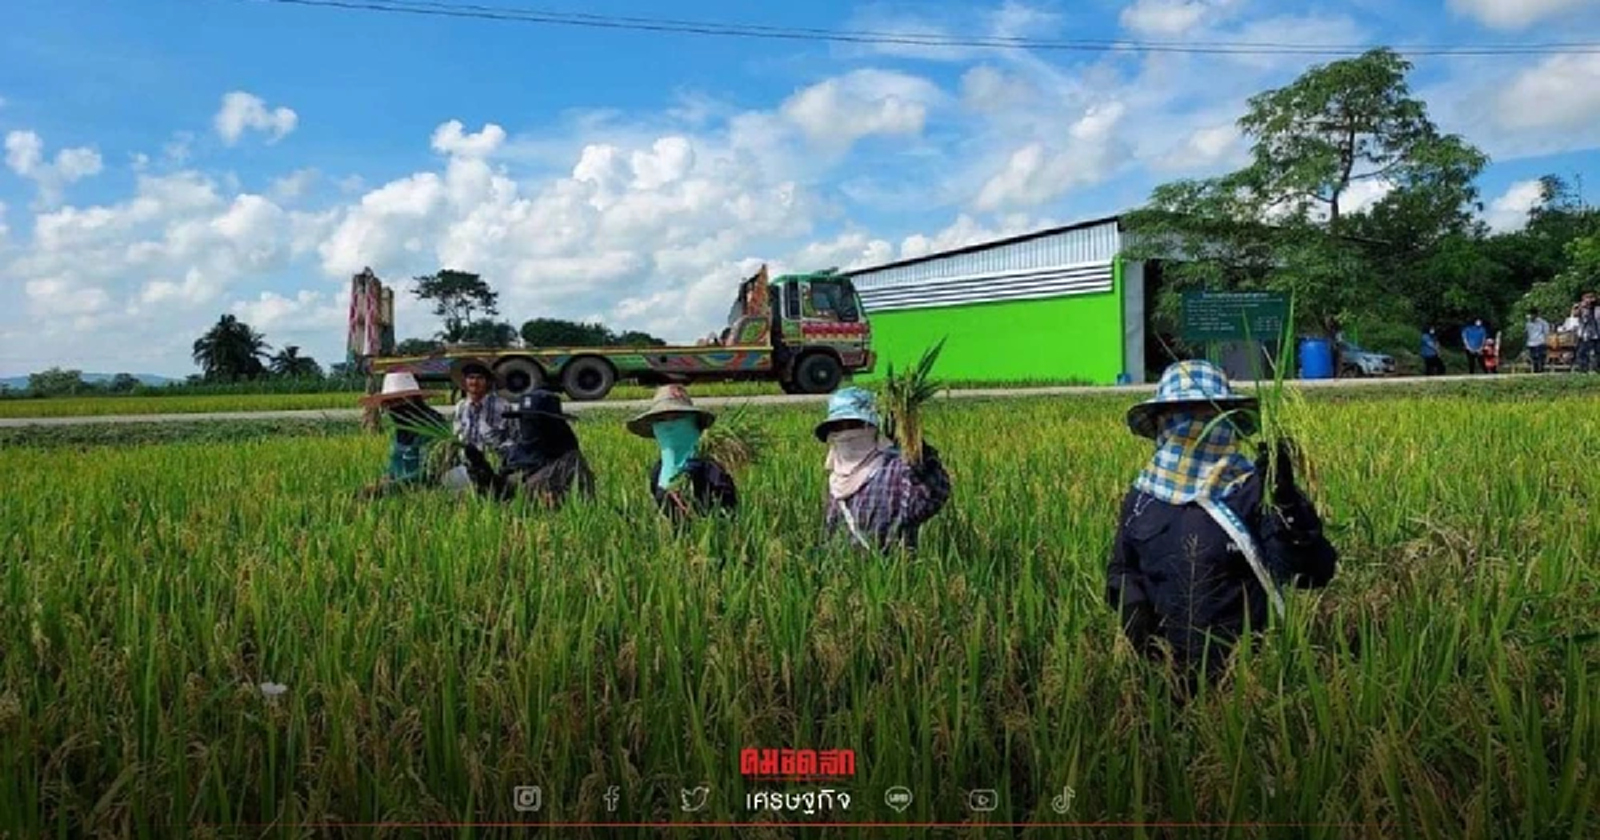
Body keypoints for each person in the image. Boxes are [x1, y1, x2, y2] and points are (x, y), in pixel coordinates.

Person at [1105, 360, 1338, 690]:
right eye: (1180, 413)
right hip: (1162, 678)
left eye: (1206, 413)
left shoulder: (1253, 490)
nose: (1193, 425)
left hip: (1244, 680)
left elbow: (1311, 574)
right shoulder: (1144, 496)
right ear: (1161, 422)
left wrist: (1288, 504)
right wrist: (1131, 605)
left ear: (1227, 419)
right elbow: (1122, 568)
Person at [815, 387, 951, 554]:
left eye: (855, 425)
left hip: (894, 567)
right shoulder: (836, 480)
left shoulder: (897, 470)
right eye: (839, 427)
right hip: (844, 567)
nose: (847, 434)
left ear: (875, 428)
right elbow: (831, 535)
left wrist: (916, 450)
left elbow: (933, 495)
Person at [463, 389, 595, 508]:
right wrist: (481, 470)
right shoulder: (517, 457)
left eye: (534, 421)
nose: (528, 427)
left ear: (552, 424)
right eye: (525, 420)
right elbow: (500, 494)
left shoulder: (569, 463)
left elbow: (583, 504)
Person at [626, 385, 737, 521]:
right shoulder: (658, 471)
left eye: (677, 417)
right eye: (661, 420)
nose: (669, 425)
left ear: (693, 424)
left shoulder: (711, 470)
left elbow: (728, 514)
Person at [357, 372, 450, 499]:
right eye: (389, 403)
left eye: (399, 401)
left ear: (414, 400)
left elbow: (429, 472)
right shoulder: (401, 430)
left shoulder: (435, 427)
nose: (394, 408)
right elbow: (393, 466)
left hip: (431, 493)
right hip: (400, 492)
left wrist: (389, 487)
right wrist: (383, 481)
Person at [1578, 294, 1600, 374]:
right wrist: (1582, 307)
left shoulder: (1598, 310)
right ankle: (1583, 369)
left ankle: (1597, 369)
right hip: (1585, 334)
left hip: (1597, 334)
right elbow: (1575, 314)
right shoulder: (1582, 309)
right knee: (1583, 353)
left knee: (1598, 352)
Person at [1525, 309, 1552, 373]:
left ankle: (1541, 369)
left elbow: (1546, 332)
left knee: (1540, 357)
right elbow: (1527, 332)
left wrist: (1546, 340)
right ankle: (1536, 370)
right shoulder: (1528, 323)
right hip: (1531, 342)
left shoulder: (1542, 323)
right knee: (1533, 357)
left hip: (1540, 342)